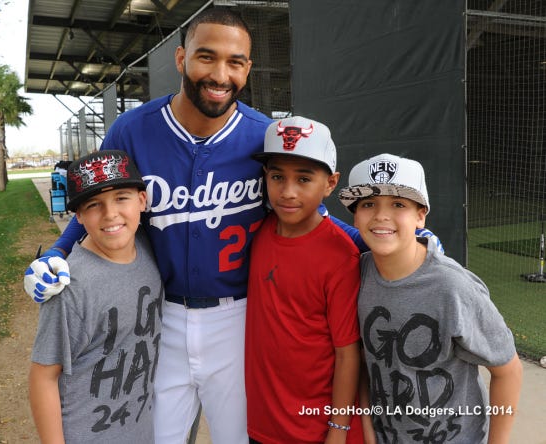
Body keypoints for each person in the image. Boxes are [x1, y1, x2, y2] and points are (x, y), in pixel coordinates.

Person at [22, 8, 442, 443]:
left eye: (235, 62)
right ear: (182, 59)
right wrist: (59, 251)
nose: (220, 74)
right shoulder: (133, 128)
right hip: (161, 315)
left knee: (239, 437)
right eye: (207, 57)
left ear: (247, 68)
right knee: (157, 435)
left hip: (239, 318)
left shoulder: (264, 135)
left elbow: (306, 210)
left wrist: (381, 239)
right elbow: (99, 200)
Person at [338, 153, 523, 443]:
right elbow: (364, 361)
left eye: (398, 204)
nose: (381, 215)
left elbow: (508, 370)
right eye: (368, 204)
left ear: (420, 214)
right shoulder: (356, 274)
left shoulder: (453, 286)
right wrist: (368, 428)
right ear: (355, 215)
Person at [245, 116, 367, 444]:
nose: (287, 192)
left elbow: (347, 353)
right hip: (263, 422)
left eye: (303, 179)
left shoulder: (341, 255)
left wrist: (339, 429)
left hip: (316, 429)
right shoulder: (258, 232)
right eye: (276, 177)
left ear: (330, 183)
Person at [29, 150, 163, 443]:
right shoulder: (71, 287)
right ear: (78, 216)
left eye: (121, 198)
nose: (110, 214)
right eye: (93, 204)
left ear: (142, 200)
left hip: (139, 429)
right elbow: (43, 377)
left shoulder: (148, 247)